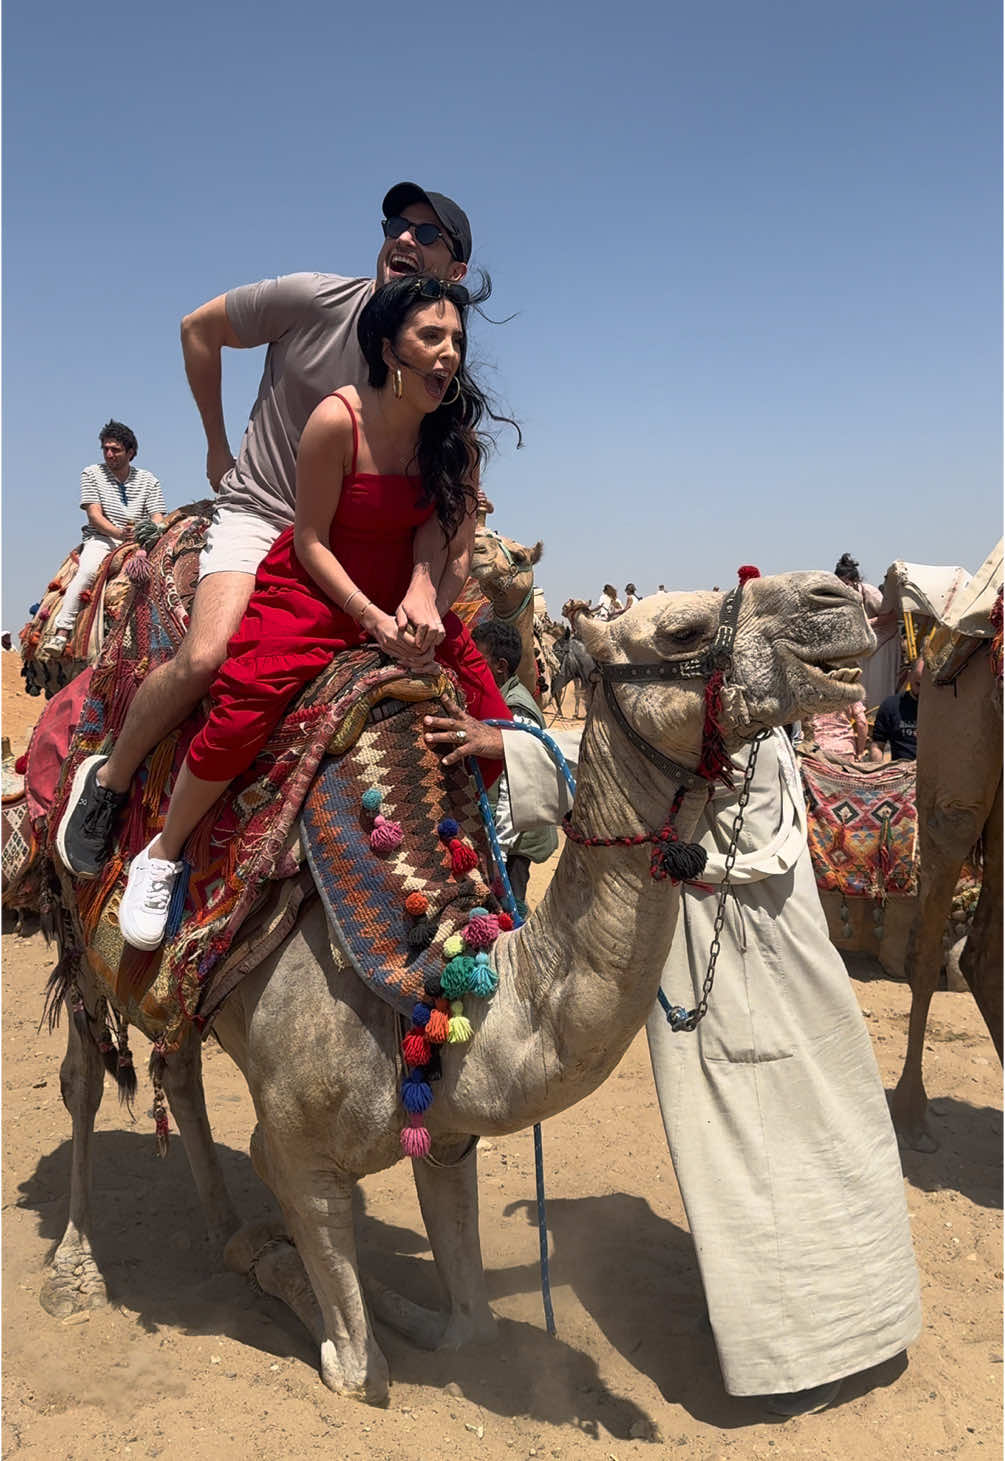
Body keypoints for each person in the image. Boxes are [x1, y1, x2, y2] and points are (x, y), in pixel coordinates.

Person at [421, 692, 921, 1416]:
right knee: (812, 1142)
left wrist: (518, 750)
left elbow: (622, 778)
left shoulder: (726, 737)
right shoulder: (765, 727)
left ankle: (796, 1360)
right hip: (781, 962)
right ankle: (832, 1327)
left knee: (754, 1150)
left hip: (736, 960)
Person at [58, 181, 474, 878]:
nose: (404, 238)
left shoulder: (440, 370)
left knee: (467, 668)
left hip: (367, 537)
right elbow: (199, 327)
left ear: (454, 273)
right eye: (397, 224)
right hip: (267, 513)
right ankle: (109, 782)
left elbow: (442, 499)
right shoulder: (315, 300)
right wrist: (218, 445)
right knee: (208, 655)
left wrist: (427, 582)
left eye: (427, 234)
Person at [112, 275, 515, 950]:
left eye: (455, 340)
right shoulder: (337, 418)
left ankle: (476, 844)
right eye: (429, 336)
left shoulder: (454, 439)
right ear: (389, 348)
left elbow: (457, 549)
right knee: (244, 705)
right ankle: (164, 851)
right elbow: (309, 539)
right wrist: (371, 619)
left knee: (490, 713)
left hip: (405, 600)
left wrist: (431, 607)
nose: (447, 353)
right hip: (321, 588)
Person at [46, 422, 164, 656]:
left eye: (116, 450)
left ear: (130, 453)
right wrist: (119, 533)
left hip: (139, 542)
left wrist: (149, 532)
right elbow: (94, 515)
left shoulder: (148, 480)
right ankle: (61, 631)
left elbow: (158, 517)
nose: (109, 454)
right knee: (88, 572)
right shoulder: (92, 474)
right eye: (106, 449)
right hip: (103, 539)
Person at [470, 617, 558, 908]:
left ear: (500, 666)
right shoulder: (497, 700)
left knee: (508, 907)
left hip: (515, 841)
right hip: (504, 833)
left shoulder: (516, 710)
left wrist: (500, 853)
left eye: (478, 660)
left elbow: (514, 792)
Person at [834, 553, 900, 709]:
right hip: (866, 645)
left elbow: (892, 615)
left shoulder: (870, 592)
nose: (842, 587)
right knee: (863, 684)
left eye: (845, 583)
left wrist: (866, 623)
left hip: (885, 642)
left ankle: (878, 716)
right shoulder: (841, 597)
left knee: (878, 685)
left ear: (855, 581)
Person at [870, 657, 922, 762]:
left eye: (926, 686)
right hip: (902, 770)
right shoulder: (891, 705)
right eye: (918, 684)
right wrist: (878, 769)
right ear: (910, 675)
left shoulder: (943, 707)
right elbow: (877, 746)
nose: (921, 691)